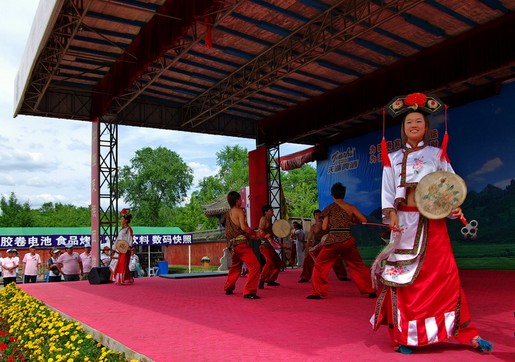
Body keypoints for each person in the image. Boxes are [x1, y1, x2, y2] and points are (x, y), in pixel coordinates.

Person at [371, 92, 493, 354]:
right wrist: (391, 215)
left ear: (426, 127)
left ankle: (465, 334)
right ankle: (406, 336)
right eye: (408, 123)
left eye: (418, 122)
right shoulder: (392, 158)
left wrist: (453, 205)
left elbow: (449, 187)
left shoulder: (437, 155)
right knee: (402, 278)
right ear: (403, 129)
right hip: (403, 225)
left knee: (445, 276)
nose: (413, 126)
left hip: (431, 225)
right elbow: (388, 189)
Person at [307, 182, 375, 299]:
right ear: (343, 195)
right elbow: (363, 219)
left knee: (320, 265)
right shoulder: (351, 207)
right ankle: (370, 290)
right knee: (357, 265)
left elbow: (324, 228)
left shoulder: (329, 209)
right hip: (347, 239)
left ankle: (318, 292)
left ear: (332, 195)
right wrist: (353, 221)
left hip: (333, 240)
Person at [223, 191, 261, 299]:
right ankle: (249, 291)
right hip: (241, 245)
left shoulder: (228, 213)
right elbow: (243, 228)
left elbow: (228, 231)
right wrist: (254, 233)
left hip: (233, 246)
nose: (241, 201)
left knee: (235, 266)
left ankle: (228, 287)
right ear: (237, 200)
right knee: (255, 266)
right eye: (240, 199)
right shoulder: (239, 211)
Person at [298, 209, 350, 283]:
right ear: (314, 217)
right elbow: (309, 238)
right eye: (316, 215)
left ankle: (343, 276)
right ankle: (305, 277)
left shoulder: (326, 225)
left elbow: (332, 234)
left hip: (327, 244)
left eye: (319, 214)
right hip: (316, 246)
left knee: (337, 258)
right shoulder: (313, 227)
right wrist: (308, 244)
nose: (318, 216)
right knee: (308, 259)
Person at [257, 204, 282, 289]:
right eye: (271, 210)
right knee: (270, 262)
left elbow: (271, 234)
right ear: (266, 212)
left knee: (278, 262)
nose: (273, 212)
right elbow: (260, 230)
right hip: (264, 246)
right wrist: (265, 235)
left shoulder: (270, 221)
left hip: (270, 246)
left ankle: (271, 280)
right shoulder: (263, 219)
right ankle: (262, 280)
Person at [111, 208, 134, 285]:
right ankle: (121, 279)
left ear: (126, 220)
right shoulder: (122, 230)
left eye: (122, 219)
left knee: (123, 264)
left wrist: (128, 248)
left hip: (125, 250)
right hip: (120, 250)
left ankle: (124, 279)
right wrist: (113, 249)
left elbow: (130, 239)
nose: (121, 220)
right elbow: (117, 240)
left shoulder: (129, 229)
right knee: (119, 264)